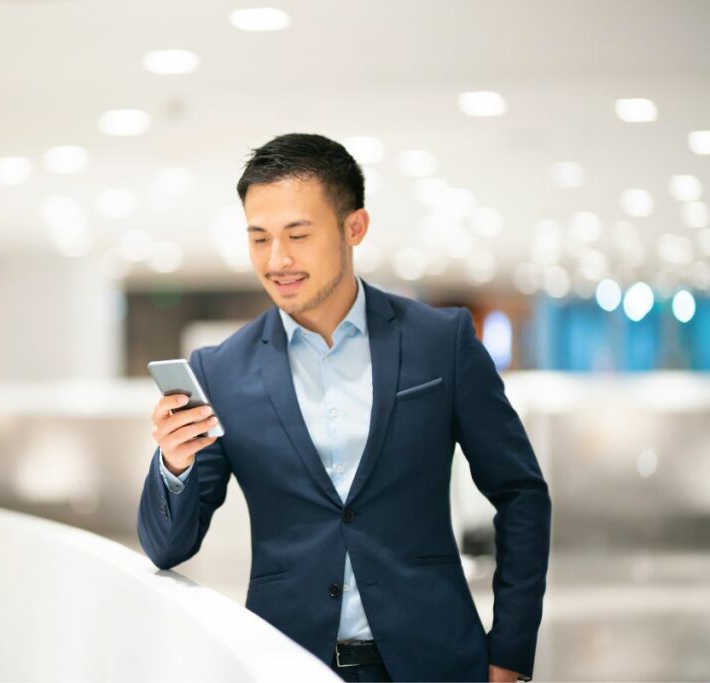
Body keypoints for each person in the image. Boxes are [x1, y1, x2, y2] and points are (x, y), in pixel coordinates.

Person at [137, 133, 551, 682]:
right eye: (258, 238)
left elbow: (521, 494)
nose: (277, 259)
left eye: (298, 235)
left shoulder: (439, 341)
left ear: (354, 227)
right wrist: (174, 465)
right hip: (289, 664)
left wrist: (510, 654)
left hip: (438, 661)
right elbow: (169, 547)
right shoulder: (222, 371)